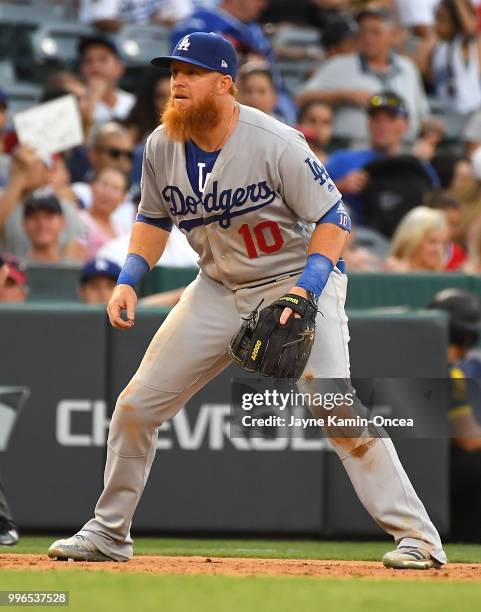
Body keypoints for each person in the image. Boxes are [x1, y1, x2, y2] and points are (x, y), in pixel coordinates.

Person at [48, 32, 446, 570]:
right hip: (217, 287)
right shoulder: (161, 145)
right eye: (173, 73)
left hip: (297, 279)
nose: (178, 82)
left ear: (225, 83)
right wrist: (128, 278)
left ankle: (419, 538)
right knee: (136, 407)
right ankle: (108, 532)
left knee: (335, 405)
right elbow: (152, 217)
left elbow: (335, 219)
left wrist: (306, 290)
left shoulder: (274, 140)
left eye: (191, 72)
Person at [296, 6, 430, 148]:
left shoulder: (407, 68)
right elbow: (299, 98)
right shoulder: (340, 64)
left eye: (375, 32)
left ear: (393, 35)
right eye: (363, 32)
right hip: (351, 148)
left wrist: (431, 131)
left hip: (403, 151)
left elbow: (422, 114)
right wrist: (343, 95)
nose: (368, 38)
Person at [326, 92, 435, 227]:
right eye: (376, 119)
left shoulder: (418, 167)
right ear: (369, 124)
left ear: (405, 125)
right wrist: (340, 187)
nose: (382, 125)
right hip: (354, 236)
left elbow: (435, 207)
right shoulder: (341, 161)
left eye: (391, 119)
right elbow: (311, 200)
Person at [427, 289, 481, 541]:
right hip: (431, 471)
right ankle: (466, 534)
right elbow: (468, 440)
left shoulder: (406, 356)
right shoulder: (447, 370)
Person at [416, 0, 481, 115]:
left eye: (443, 20)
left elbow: (470, 27)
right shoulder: (435, 47)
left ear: (455, 23)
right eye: (436, 19)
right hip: (445, 113)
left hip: (472, 113)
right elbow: (418, 69)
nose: (437, 24)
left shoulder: (466, 44)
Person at [78, 257, 186, 307]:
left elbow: (181, 295)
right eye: (94, 287)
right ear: (81, 291)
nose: (102, 293)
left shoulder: (131, 310)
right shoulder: (72, 316)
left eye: (110, 286)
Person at [78, 36, 135, 125]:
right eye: (88, 61)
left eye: (103, 59)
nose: (95, 66)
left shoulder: (133, 104)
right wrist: (91, 99)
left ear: (119, 68)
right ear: (81, 69)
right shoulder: (73, 104)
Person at [79, 168, 131, 259]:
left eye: (115, 188)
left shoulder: (123, 230)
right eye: (104, 184)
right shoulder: (78, 220)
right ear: (92, 186)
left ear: (123, 198)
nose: (107, 192)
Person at [23, 193, 85, 263]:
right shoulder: (15, 269)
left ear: (62, 222)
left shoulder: (77, 265)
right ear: (24, 223)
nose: (42, 224)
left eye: (48, 217)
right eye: (34, 218)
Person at [386, 206, 449, 272]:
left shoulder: (444, 278)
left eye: (443, 243)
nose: (439, 250)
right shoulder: (393, 273)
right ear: (412, 241)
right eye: (432, 242)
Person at [297, 100, 333, 165]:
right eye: (312, 121)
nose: (318, 128)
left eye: (326, 122)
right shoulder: (286, 157)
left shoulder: (337, 166)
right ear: (299, 123)